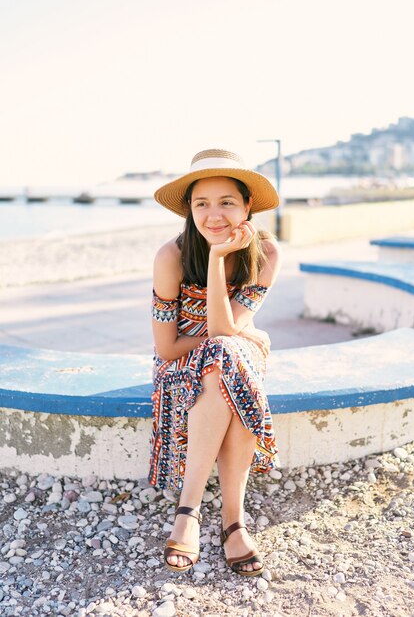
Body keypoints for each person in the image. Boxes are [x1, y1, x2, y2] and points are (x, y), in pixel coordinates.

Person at [149, 148, 281, 577]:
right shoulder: (171, 256)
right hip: (182, 367)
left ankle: (192, 512)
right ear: (189, 210)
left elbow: (227, 331)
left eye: (227, 202)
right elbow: (168, 349)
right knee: (226, 357)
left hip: (234, 355)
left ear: (247, 206)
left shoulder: (265, 253)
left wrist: (220, 259)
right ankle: (229, 521)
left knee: (226, 357)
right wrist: (213, 257)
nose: (214, 215)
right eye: (201, 204)